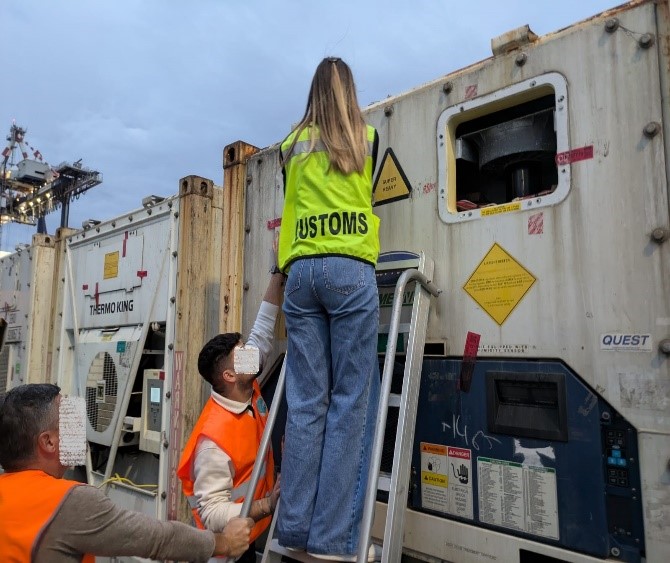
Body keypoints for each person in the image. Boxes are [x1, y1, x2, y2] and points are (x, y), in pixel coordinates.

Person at [275, 57, 381, 561]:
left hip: (300, 277)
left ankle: (293, 526)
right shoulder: (368, 137)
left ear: (314, 90)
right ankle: (331, 539)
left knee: (307, 402)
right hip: (349, 273)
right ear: (350, 91)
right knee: (350, 403)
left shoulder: (290, 145)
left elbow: (291, 208)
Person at [0, 383, 254, 562]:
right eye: (69, 420)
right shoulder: (68, 501)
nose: (81, 427)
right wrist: (225, 543)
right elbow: (157, 539)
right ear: (48, 442)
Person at [177, 271, 285, 562]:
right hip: (224, 554)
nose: (253, 354)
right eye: (244, 354)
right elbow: (211, 513)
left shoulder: (245, 387)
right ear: (229, 375)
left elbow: (262, 334)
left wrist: (276, 274)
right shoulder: (213, 440)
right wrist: (266, 505)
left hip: (245, 537)